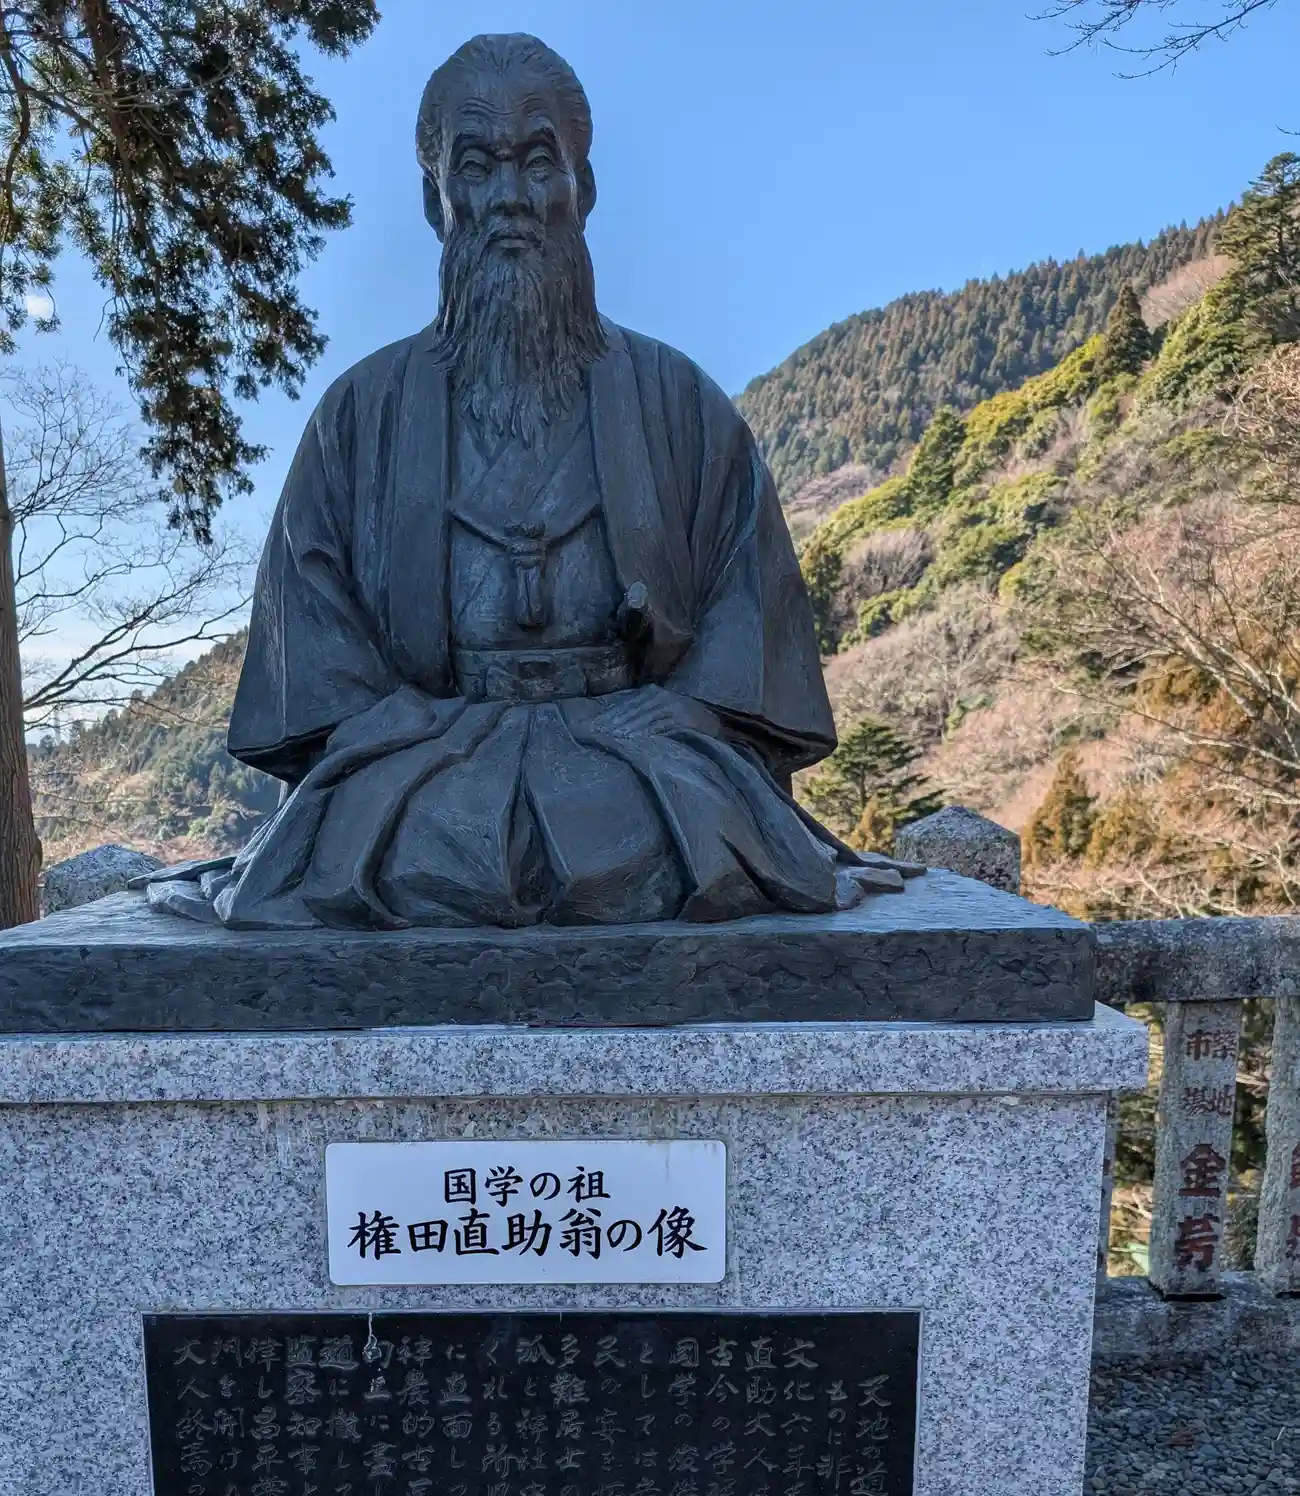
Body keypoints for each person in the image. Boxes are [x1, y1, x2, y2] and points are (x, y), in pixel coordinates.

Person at [148, 33, 905, 930]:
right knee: (417, 846)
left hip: (640, 749)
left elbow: (748, 602)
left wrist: (688, 707)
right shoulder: (362, 412)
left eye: (538, 162)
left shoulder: (679, 402)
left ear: (584, 189)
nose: (510, 195)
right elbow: (311, 634)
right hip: (426, 753)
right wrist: (394, 726)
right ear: (435, 201)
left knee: (663, 837)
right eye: (475, 166)